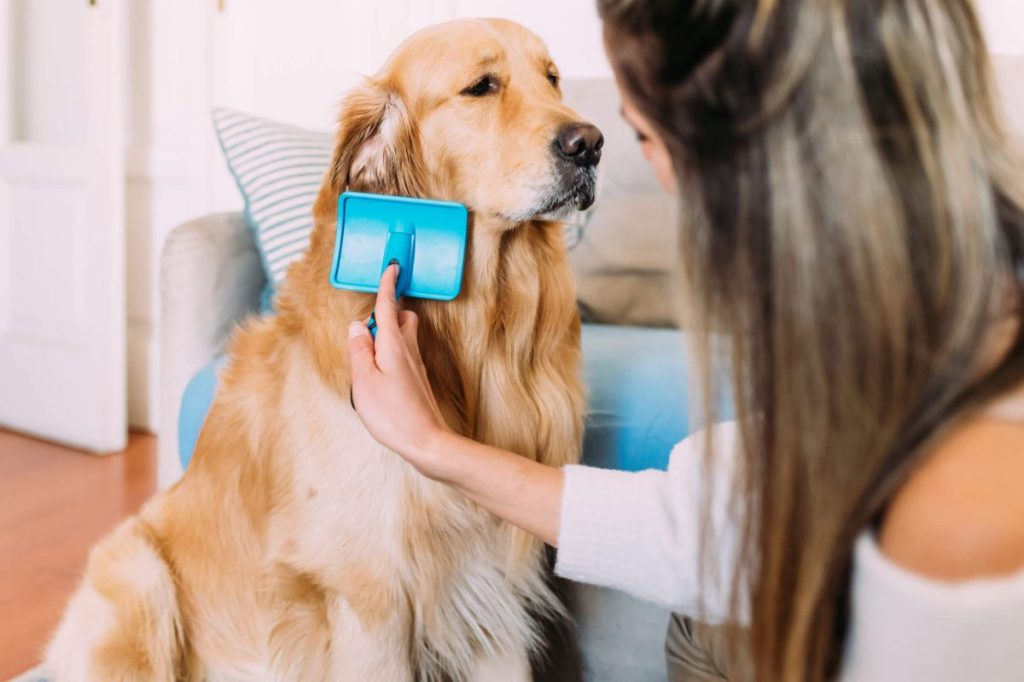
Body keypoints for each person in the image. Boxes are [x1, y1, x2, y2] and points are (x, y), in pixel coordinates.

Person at [348, 1, 1024, 680]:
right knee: (704, 618)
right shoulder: (924, 345)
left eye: (641, 136)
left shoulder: (962, 507)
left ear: (752, 160)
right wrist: (433, 446)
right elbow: (715, 528)